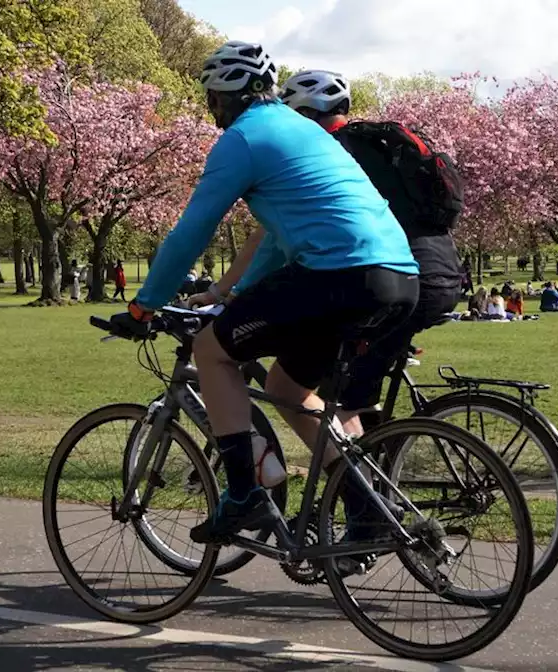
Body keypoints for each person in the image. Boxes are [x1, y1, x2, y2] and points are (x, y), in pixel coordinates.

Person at [127, 42, 419, 548]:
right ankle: (365, 507)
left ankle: (244, 492)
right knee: (286, 387)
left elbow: (191, 231)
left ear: (233, 94)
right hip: (397, 277)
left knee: (211, 350)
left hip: (339, 275)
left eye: (214, 97)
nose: (212, 108)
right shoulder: (302, 130)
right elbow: (280, 241)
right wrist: (233, 292)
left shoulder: (243, 139)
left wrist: (145, 303)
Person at [279, 67, 466, 420]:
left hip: (405, 279)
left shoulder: (332, 155)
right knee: (358, 375)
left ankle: (365, 469)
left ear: (305, 114)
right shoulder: (376, 147)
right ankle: (376, 452)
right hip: (444, 274)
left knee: (343, 389)